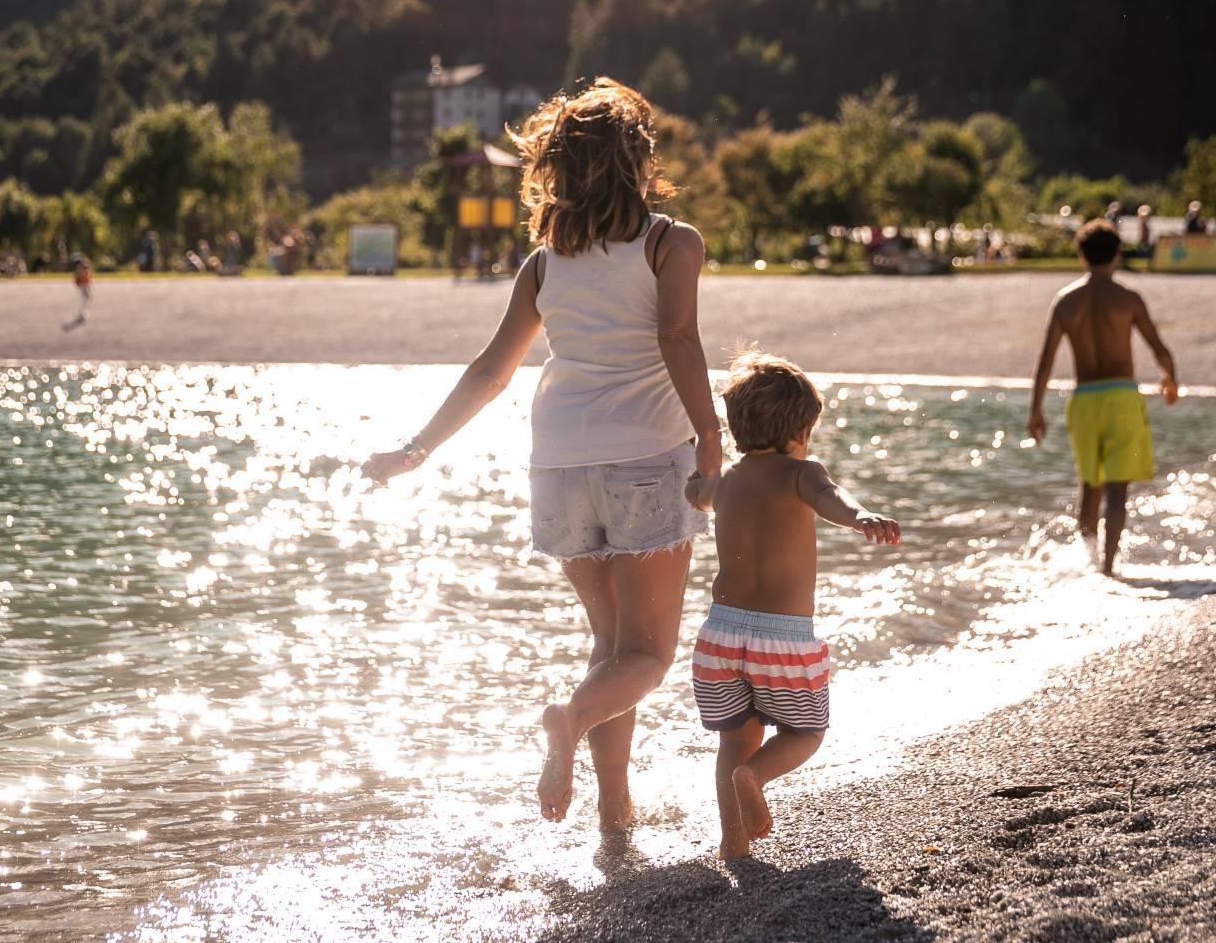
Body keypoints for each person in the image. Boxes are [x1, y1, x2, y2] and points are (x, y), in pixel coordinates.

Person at [362, 79, 722, 832]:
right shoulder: (669, 242)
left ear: (559, 167)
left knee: (611, 642)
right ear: (638, 160)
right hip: (646, 457)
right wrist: (712, 440)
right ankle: (568, 720)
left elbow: (491, 371)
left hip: (557, 463)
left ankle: (614, 809)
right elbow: (679, 341)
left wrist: (416, 447)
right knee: (648, 655)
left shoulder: (543, 264)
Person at [686, 351, 900, 860]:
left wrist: (695, 476)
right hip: (782, 637)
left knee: (733, 741)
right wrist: (861, 517)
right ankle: (755, 776)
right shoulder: (802, 472)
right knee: (806, 731)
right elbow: (833, 499)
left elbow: (698, 493)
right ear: (800, 429)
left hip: (719, 638)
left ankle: (734, 845)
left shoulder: (728, 481)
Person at [1025, 220, 1180, 575]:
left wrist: (1035, 411)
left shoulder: (1065, 302)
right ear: (1117, 254)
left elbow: (1045, 362)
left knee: (1089, 486)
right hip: (1121, 397)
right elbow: (1160, 349)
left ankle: (1088, 564)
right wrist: (1171, 381)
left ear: (1081, 255)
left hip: (1083, 400)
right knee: (1117, 490)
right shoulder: (1128, 299)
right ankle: (1109, 569)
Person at [73, 254, 92, 322]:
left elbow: (87, 277)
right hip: (83, 285)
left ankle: (82, 312)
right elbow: (82, 277)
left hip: (84, 285)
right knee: (85, 299)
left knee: (86, 298)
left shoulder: (83, 268)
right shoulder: (82, 268)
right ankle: (81, 313)